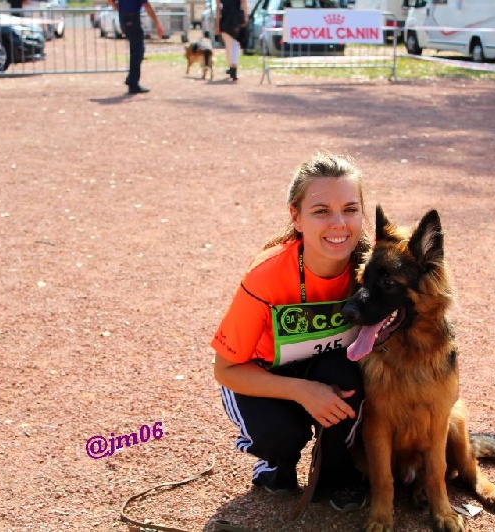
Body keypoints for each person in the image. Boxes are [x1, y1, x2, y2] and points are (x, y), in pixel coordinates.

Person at [211, 151, 370, 512]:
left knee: (350, 382)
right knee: (279, 434)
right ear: (295, 217)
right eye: (320, 211)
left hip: (330, 365)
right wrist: (301, 391)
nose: (339, 224)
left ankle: (338, 471)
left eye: (350, 208)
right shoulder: (266, 275)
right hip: (261, 372)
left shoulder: (372, 268)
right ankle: (275, 464)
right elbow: (226, 369)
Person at [107, 0, 163, 94]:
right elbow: (147, 6)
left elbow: (109, 0)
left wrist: (119, 9)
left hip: (123, 18)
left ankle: (131, 78)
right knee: (137, 52)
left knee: (139, 50)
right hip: (132, 18)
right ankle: (133, 84)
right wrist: (157, 23)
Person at [215, 0, 248, 81]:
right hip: (237, 19)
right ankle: (234, 66)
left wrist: (217, 25)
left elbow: (218, 8)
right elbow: (244, 4)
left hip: (225, 19)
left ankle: (231, 66)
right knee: (236, 44)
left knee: (228, 45)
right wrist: (246, 17)